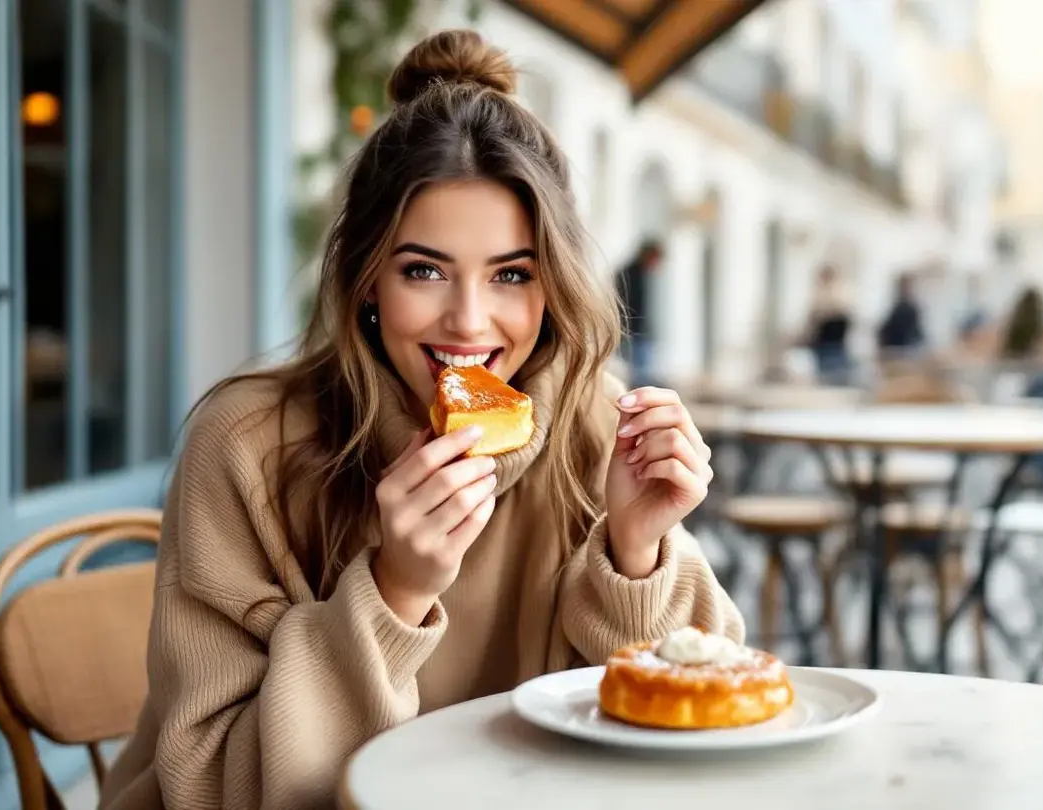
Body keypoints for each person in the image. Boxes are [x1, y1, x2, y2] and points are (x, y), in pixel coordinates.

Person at [99, 30, 742, 810]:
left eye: (512, 274)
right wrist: (393, 593)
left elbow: (703, 728)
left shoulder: (597, 424)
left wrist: (637, 553)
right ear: (367, 279)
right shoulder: (246, 447)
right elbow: (210, 786)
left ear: (555, 287)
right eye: (424, 270)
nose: (470, 322)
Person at [616, 239, 663, 384]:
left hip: (639, 332)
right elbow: (626, 306)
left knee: (643, 372)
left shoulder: (641, 274)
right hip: (632, 332)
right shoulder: (629, 275)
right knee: (638, 375)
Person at [801, 264, 852, 384]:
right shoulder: (839, 296)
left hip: (831, 345)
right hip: (827, 346)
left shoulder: (829, 297)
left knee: (831, 378)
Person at [877, 272, 926, 360]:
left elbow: (917, 331)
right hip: (898, 350)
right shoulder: (897, 307)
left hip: (908, 350)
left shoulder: (911, 307)